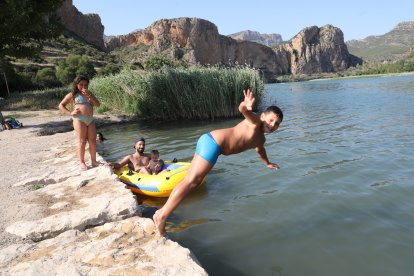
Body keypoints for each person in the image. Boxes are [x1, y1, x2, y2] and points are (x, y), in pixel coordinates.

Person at [153, 89, 283, 236]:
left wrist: (267, 163)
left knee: (189, 181)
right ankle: (161, 215)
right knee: (192, 182)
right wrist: (245, 105)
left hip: (209, 140)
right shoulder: (255, 122)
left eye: (277, 124)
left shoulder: (261, 138)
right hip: (214, 144)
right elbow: (242, 110)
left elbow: (260, 149)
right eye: (271, 120)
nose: (272, 125)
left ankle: (162, 213)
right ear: (262, 116)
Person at [59, 75, 104, 171]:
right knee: (82, 141)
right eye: (81, 84)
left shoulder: (89, 93)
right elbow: (61, 105)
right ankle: (82, 163)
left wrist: (90, 95)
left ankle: (94, 161)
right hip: (79, 119)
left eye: (86, 84)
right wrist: (70, 113)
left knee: (92, 141)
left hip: (90, 119)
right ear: (76, 84)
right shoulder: (73, 95)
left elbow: (97, 104)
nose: (83, 86)